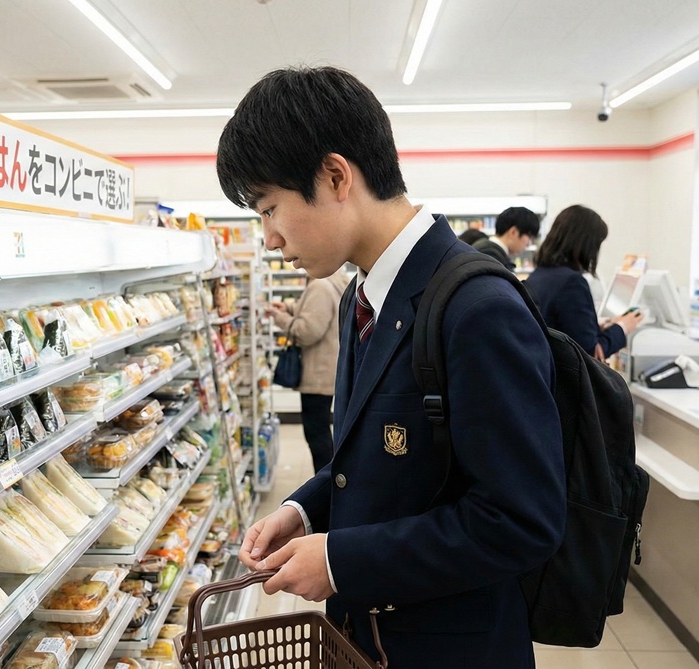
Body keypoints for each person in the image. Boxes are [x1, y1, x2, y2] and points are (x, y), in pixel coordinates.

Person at [217, 66, 565, 668]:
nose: (269, 238)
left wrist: (339, 562)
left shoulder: (477, 308)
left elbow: (521, 521)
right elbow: (369, 457)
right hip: (370, 642)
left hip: (452, 648)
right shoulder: (364, 296)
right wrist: (301, 511)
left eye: (270, 208)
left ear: (334, 176)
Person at [524, 205, 644, 359]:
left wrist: (599, 326)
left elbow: (565, 329)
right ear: (586, 244)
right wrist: (623, 327)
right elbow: (589, 354)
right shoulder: (572, 283)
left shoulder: (541, 274)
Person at [266, 271, 352, 473]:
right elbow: (316, 311)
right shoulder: (336, 281)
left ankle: (325, 484)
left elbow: (308, 331)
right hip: (330, 368)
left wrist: (280, 318)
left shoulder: (319, 286)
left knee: (316, 432)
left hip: (318, 373)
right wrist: (288, 307)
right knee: (322, 429)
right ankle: (330, 480)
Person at [472, 206, 541, 271]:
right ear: (513, 232)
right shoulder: (491, 256)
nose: (528, 244)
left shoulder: (488, 251)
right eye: (529, 237)